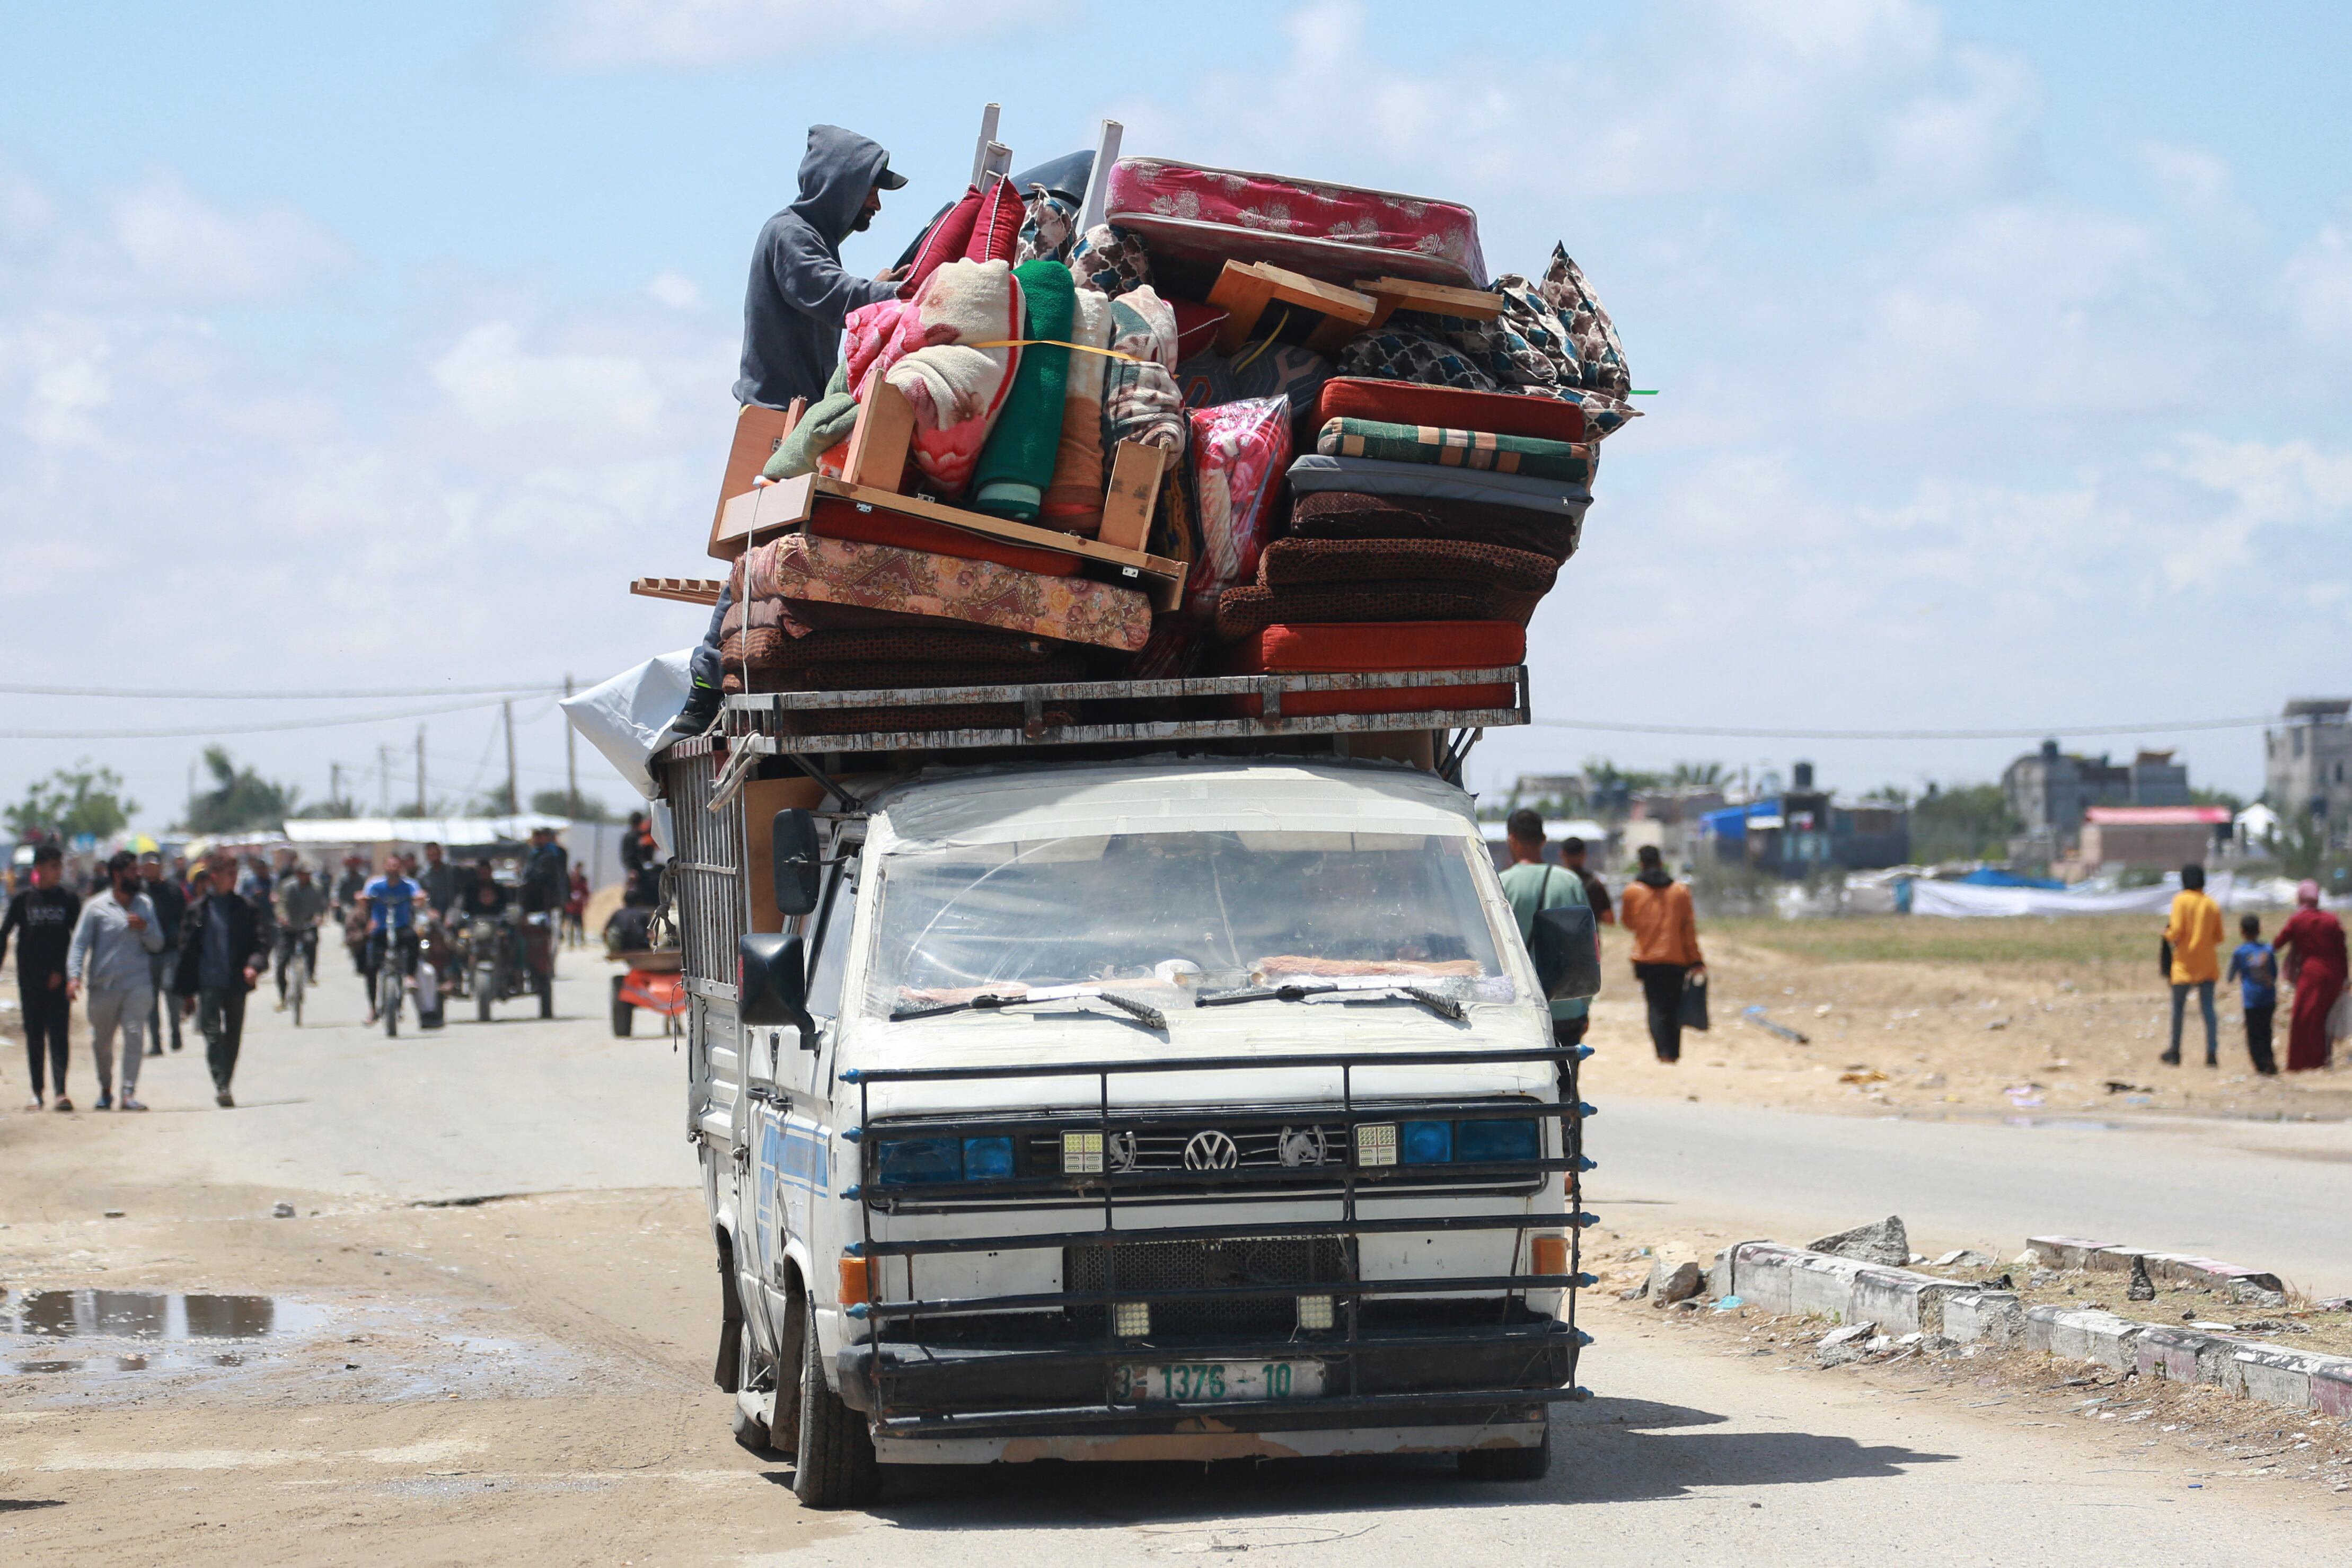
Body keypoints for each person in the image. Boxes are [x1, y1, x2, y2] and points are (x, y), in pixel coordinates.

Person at [671, 127, 913, 738]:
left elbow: (833, 290)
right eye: (869, 193)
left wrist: (883, 284)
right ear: (841, 187)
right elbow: (827, 295)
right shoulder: (790, 234)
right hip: (778, 422)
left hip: (795, 420)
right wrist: (898, 294)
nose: (875, 207)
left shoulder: (809, 241)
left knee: (776, 560)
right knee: (753, 561)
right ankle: (703, 694)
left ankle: (737, 685)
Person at [67, 850, 164, 1111]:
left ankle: (128, 1093)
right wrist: (74, 976)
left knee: (135, 1035)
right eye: (133, 870)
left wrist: (145, 928)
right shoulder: (95, 908)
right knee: (103, 1042)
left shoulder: (145, 905)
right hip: (104, 987)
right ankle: (106, 1089)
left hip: (137, 984)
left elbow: (158, 944)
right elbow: (79, 946)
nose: (139, 874)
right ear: (117, 875)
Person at [1496, 809, 1591, 1052]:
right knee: (1566, 1082)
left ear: (1512, 840)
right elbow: (1588, 947)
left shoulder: (1500, 883)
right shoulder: (1569, 881)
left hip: (1519, 1005)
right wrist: (1584, 1005)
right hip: (1566, 1005)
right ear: (1544, 840)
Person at [175, 856, 265, 1108]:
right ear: (214, 876)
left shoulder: (246, 908)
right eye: (229, 873)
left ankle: (225, 1081)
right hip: (209, 982)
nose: (234, 878)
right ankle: (221, 1085)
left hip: (236, 981)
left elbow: (260, 943)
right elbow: (186, 950)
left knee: (233, 1035)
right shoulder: (198, 910)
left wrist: (253, 966)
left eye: (235, 873)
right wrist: (187, 993)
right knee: (212, 1034)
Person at [2, 843, 83, 1111]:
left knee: (59, 1035)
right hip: (30, 981)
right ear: (39, 869)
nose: (58, 871)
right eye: (53, 867)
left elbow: (78, 941)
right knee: (35, 1035)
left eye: (60, 866)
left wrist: (66, 973)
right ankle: (37, 1092)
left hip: (58, 981)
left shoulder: (69, 900)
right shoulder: (24, 900)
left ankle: (61, 1092)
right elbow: (5, 935)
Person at [1619, 844, 1704, 1063]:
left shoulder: (1633, 891)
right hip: (1676, 959)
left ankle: (1662, 1053)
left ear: (1641, 864)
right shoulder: (1680, 891)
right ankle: (1673, 1053)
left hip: (1646, 959)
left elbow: (1628, 923)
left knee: (1655, 1006)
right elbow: (1688, 930)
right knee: (1674, 1005)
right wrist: (1696, 959)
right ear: (1661, 862)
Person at [2272, 880, 2348, 1073]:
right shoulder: (2332, 920)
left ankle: (2304, 1062)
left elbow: (2278, 943)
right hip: (2334, 975)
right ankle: (2324, 1058)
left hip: (2311, 974)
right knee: (2325, 1018)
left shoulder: (2298, 921)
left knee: (2304, 1018)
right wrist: (2346, 978)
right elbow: (2342, 951)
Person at [2160, 862, 2224, 1067]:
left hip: (2184, 965)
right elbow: (2219, 937)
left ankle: (2176, 1052)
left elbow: (2176, 931)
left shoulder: (2181, 901)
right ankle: (2212, 1054)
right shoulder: (2211, 904)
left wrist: (2166, 934)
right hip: (2207, 964)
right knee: (2208, 1011)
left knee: (2178, 1010)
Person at [358, 854, 424, 1024]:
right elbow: (364, 899)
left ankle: (410, 976)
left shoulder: (409, 884)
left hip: (401, 927)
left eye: (396, 865)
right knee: (371, 967)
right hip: (381, 929)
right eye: (390, 865)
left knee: (413, 938)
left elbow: (419, 896)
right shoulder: (375, 884)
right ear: (385, 867)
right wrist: (362, 900)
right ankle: (373, 1009)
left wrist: (420, 899)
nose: (393, 869)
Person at [140, 851, 189, 1056]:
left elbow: (185, 917)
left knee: (171, 994)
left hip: (171, 951)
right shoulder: (141, 893)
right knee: (150, 1001)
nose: (150, 870)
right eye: (146, 866)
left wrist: (180, 938)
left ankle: (176, 1034)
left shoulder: (173, 889)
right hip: (148, 952)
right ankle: (156, 1043)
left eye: (153, 866)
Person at [2227, 914, 2279, 1076]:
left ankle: (2260, 1063)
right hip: (2268, 997)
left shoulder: (2240, 952)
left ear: (2242, 932)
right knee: (2267, 1030)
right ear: (2259, 930)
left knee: (2253, 1032)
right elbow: (2275, 973)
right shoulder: (2268, 950)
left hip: (2251, 999)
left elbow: (2230, 975)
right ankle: (2269, 1058)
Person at [271, 860, 328, 1007]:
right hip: (288, 927)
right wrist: (282, 917)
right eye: (304, 874)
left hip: (307, 926)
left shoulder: (316, 887)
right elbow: (281, 904)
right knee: (281, 962)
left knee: (311, 942)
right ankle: (283, 997)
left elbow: (320, 906)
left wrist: (319, 917)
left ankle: (310, 973)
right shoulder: (288, 886)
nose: (307, 877)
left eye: (309, 874)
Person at [1558, 835, 1614, 926]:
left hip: (1561, 938)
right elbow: (1609, 919)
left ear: (1562, 854)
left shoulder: (1555, 882)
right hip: (1589, 938)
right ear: (1584, 854)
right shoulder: (1594, 884)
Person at [417, 840, 459, 920]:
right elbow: (421, 897)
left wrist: (452, 914)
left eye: (435, 854)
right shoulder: (423, 875)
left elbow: (458, 896)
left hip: (452, 911)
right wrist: (429, 911)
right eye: (431, 855)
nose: (434, 857)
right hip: (431, 914)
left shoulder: (451, 871)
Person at [563, 866, 589, 948]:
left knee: (580, 925)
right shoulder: (568, 884)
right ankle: (570, 942)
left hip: (579, 907)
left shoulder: (582, 883)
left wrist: (582, 898)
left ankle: (581, 941)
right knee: (570, 925)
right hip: (571, 907)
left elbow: (586, 893)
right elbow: (565, 893)